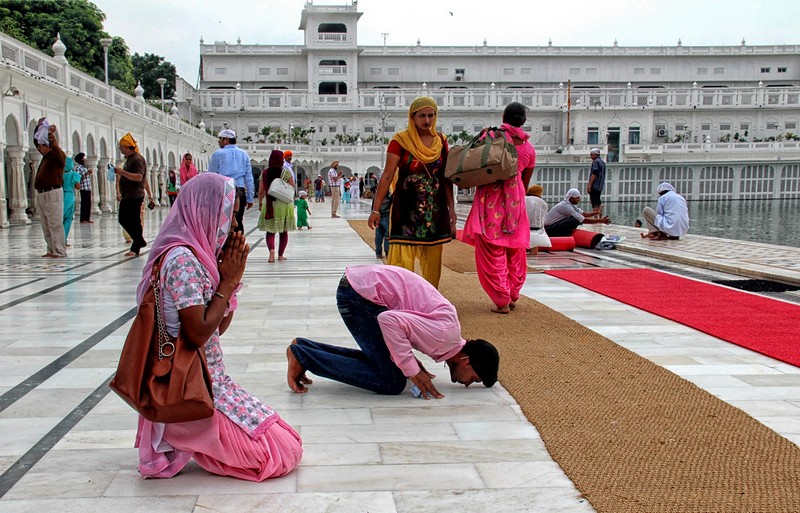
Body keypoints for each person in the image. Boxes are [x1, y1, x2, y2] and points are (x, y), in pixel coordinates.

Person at [133, 173, 302, 481]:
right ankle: (177, 431)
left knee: (287, 444)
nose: (233, 225)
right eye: (228, 214)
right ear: (204, 211)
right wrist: (227, 281)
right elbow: (198, 334)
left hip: (211, 379)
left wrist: (229, 284)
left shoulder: (198, 256)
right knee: (271, 457)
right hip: (185, 387)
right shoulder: (181, 260)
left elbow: (217, 328)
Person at [286, 265, 500, 399]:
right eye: (475, 379)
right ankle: (303, 356)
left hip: (362, 290)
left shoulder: (447, 336)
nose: (468, 383)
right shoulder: (442, 336)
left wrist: (408, 362)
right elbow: (389, 321)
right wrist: (411, 368)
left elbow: (401, 328)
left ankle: (304, 349)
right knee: (392, 380)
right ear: (466, 361)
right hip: (358, 295)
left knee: (391, 367)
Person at [367, 96, 455, 288]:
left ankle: (429, 301)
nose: (427, 120)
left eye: (431, 115)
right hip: (405, 213)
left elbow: (446, 179)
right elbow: (387, 176)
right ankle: (401, 300)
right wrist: (375, 210)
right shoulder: (400, 141)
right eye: (422, 115)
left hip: (434, 212)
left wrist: (452, 210)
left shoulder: (441, 142)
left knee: (432, 265)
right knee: (401, 265)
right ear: (412, 117)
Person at [461, 102, 536, 314]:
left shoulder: (491, 137)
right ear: (523, 121)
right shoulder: (529, 148)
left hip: (490, 199)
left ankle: (501, 299)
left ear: (503, 116)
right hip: (516, 200)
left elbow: (471, 160)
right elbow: (525, 180)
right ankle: (513, 295)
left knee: (492, 248)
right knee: (514, 249)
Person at [208, 129, 254, 233]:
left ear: (226, 139)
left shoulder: (218, 154)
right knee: (238, 220)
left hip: (225, 191)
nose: (218, 141)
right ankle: (238, 245)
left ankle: (224, 246)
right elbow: (249, 178)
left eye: (220, 139)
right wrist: (250, 198)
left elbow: (211, 177)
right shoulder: (244, 154)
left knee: (223, 221)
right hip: (240, 191)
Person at [33, 118, 67, 258]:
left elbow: (56, 148)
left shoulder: (56, 156)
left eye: (41, 145)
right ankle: (51, 249)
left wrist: (50, 134)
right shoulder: (46, 157)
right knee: (46, 224)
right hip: (42, 193)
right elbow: (36, 141)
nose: (39, 148)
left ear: (47, 145)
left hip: (52, 192)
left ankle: (59, 251)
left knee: (55, 223)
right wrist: (38, 128)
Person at [257, 150, 295, 263]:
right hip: (283, 204)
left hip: (269, 204)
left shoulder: (265, 173)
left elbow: (260, 191)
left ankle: (271, 252)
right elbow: (292, 186)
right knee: (283, 231)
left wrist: (260, 203)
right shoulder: (286, 172)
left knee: (270, 231)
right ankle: (281, 255)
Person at [114, 133, 148, 256]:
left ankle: (136, 245)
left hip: (135, 195)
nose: (120, 148)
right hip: (128, 195)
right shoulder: (129, 159)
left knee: (131, 220)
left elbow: (139, 177)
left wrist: (121, 172)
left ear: (127, 147)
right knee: (125, 219)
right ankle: (139, 241)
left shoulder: (137, 159)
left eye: (121, 146)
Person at [544, 189, 610, 237]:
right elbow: (583, 220)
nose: (579, 199)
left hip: (553, 227)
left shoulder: (570, 204)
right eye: (577, 198)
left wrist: (596, 213)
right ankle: (561, 236)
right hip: (548, 229)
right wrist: (601, 220)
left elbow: (583, 214)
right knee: (574, 220)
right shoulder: (565, 206)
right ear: (571, 198)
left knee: (575, 219)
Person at [525, 184, 550, 255]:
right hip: (537, 231)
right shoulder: (543, 203)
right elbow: (543, 220)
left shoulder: (523, 199)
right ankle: (534, 256)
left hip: (524, 229)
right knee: (535, 246)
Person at [61, 157, 81, 244]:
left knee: (59, 218)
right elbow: (78, 187)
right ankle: (63, 239)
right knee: (67, 219)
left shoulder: (59, 174)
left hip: (60, 195)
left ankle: (57, 239)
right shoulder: (74, 174)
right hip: (69, 196)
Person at [75, 152, 93, 224]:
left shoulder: (84, 168)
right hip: (83, 188)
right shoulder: (78, 168)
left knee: (88, 203)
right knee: (84, 203)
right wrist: (87, 173)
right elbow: (79, 178)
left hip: (88, 187)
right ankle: (83, 219)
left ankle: (87, 218)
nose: (85, 159)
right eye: (83, 158)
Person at [586, 148, 606, 214]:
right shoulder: (602, 162)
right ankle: (600, 217)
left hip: (595, 185)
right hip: (600, 186)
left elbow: (594, 173)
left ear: (596, 154)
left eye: (592, 155)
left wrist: (589, 184)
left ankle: (595, 217)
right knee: (598, 200)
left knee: (594, 201)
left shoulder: (596, 162)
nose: (590, 156)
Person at [374, 191, 391, 259]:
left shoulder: (376, 196)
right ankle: (387, 253)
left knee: (378, 236)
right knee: (387, 235)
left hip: (378, 216)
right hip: (386, 216)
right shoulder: (389, 196)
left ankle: (378, 253)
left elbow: (373, 206)